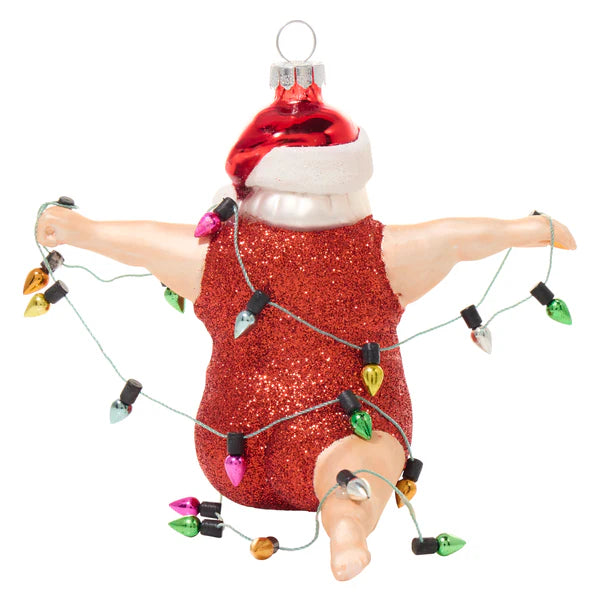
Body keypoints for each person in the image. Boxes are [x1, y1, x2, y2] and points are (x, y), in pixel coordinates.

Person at [35, 64, 576, 581]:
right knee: (366, 460)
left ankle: (345, 524)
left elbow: (141, 243)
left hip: (239, 449)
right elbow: (453, 240)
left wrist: (81, 231)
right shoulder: (367, 252)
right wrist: (522, 230)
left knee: (360, 461)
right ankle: (346, 523)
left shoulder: (225, 255)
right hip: (322, 432)